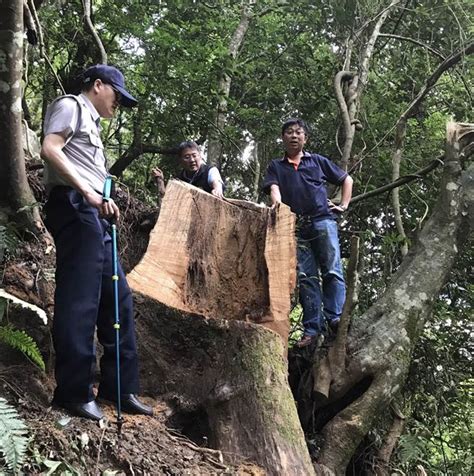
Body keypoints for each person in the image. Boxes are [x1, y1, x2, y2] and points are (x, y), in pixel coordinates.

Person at [41, 64, 153, 420]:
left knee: (117, 296)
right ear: (98, 85)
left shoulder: (95, 126)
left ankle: (121, 388)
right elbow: (50, 148)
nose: (118, 102)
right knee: (81, 297)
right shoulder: (71, 105)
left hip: (96, 216)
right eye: (116, 94)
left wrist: (103, 200)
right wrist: (88, 192)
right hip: (74, 208)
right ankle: (73, 392)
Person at [263, 118, 353, 348]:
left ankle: (335, 318)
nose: (294, 136)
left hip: (323, 220)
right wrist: (279, 207)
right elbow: (274, 188)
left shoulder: (318, 161)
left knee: (332, 269)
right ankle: (312, 330)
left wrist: (343, 205)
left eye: (298, 132)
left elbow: (346, 179)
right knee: (307, 278)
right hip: (296, 227)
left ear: (305, 138)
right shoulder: (276, 166)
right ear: (283, 138)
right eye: (289, 132)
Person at [152, 140, 224, 199]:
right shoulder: (179, 179)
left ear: (200, 156)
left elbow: (216, 181)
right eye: (187, 157)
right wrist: (160, 181)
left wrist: (217, 189)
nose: (192, 160)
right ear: (180, 160)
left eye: (194, 156)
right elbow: (168, 199)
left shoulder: (210, 171)